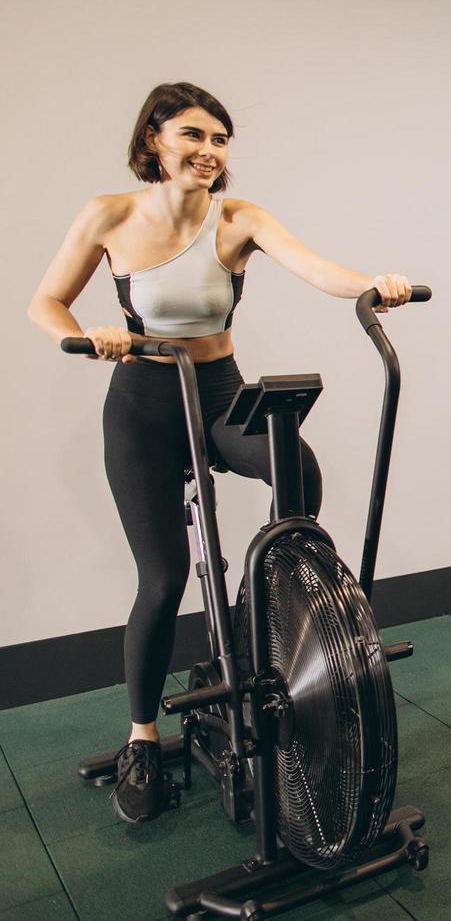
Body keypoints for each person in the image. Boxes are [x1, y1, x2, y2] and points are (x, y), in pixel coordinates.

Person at [26, 82, 412, 823]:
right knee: (163, 580)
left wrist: (372, 284)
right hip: (143, 402)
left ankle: (249, 622)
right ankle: (142, 737)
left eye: (221, 140)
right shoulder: (108, 215)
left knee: (298, 473)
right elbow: (44, 302)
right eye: (194, 136)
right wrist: (88, 337)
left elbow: (313, 266)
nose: (210, 151)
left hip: (218, 389)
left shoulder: (239, 219)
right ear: (155, 140)